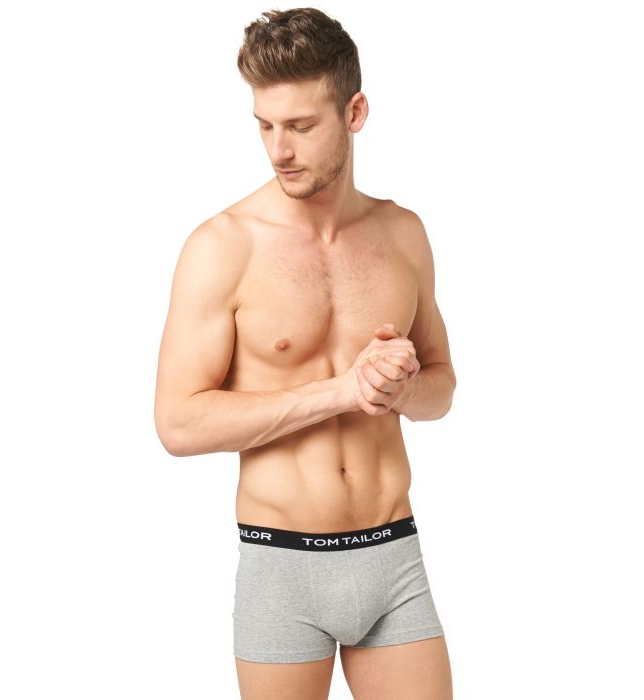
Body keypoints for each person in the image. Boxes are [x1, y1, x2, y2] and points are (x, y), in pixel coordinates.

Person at [154, 7, 456, 699]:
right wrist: (340, 392)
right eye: (264, 126)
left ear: (355, 112)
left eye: (300, 126)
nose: (278, 150)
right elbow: (177, 423)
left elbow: (443, 387)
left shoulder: (403, 233)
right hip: (283, 566)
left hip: (393, 554)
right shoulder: (222, 246)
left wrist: (403, 390)